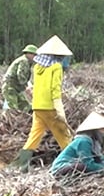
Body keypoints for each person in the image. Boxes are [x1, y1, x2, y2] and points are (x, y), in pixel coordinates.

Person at [13, 35, 74, 169]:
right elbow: (55, 90)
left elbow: (37, 87)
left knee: (34, 136)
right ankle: (73, 163)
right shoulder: (56, 67)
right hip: (50, 108)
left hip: (37, 107)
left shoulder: (37, 67)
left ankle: (22, 165)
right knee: (64, 135)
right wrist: (60, 111)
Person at [51, 112, 104, 179]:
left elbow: (98, 158)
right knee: (82, 166)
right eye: (100, 130)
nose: (102, 133)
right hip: (60, 169)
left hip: (70, 166)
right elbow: (88, 163)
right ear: (94, 130)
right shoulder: (83, 141)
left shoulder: (93, 142)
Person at [1, 44, 38, 113]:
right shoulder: (24, 61)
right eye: (34, 55)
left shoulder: (25, 61)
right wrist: (27, 88)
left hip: (16, 89)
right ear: (28, 54)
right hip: (10, 88)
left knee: (26, 106)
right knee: (12, 110)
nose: (35, 57)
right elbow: (21, 76)